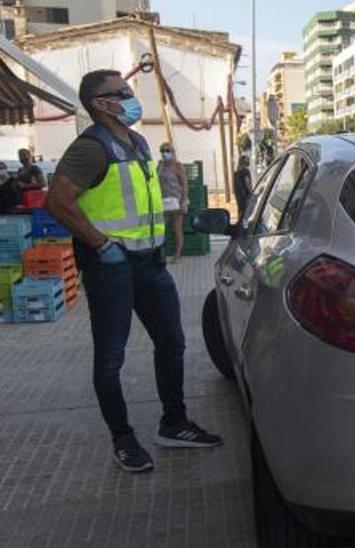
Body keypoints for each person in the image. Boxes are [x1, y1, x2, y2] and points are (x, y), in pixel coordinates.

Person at [44, 69, 222, 474]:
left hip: (150, 263)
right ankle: (123, 439)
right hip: (111, 269)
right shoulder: (90, 149)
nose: (129, 96)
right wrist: (101, 244)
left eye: (127, 91)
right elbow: (56, 202)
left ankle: (173, 424)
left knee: (172, 342)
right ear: (99, 103)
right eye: (120, 92)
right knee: (111, 359)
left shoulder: (139, 142)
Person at [158, 143, 189, 262]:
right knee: (161, 229)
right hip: (163, 202)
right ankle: (161, 253)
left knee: (177, 229)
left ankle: (178, 255)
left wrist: (184, 201)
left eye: (167, 150)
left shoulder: (178, 166)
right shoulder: (160, 166)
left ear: (172, 151)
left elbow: (184, 184)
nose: (164, 153)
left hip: (176, 201)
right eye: (162, 151)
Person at [233, 154, 252, 220]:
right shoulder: (246, 171)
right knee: (246, 212)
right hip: (245, 196)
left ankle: (240, 223)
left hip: (238, 196)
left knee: (240, 211)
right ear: (244, 162)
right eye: (247, 160)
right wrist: (251, 193)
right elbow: (247, 184)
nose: (249, 162)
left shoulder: (236, 172)